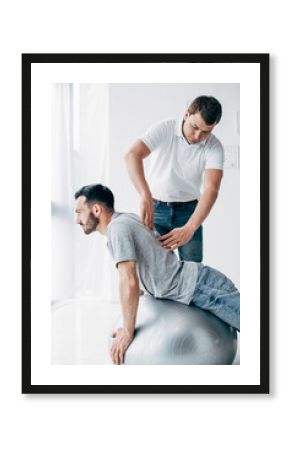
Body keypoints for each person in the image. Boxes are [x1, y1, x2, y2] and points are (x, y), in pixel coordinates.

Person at [75, 183, 240, 365]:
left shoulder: (118, 229)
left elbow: (129, 280)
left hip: (202, 286)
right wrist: (129, 321)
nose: (77, 220)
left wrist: (128, 332)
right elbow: (138, 278)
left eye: (79, 212)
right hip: (196, 285)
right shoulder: (125, 221)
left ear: (96, 209)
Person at [125, 95, 224, 263]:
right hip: (154, 208)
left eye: (206, 132)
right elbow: (132, 155)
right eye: (195, 127)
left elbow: (211, 190)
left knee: (193, 271)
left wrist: (190, 228)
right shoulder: (165, 129)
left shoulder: (214, 147)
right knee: (152, 267)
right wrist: (144, 195)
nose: (198, 135)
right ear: (186, 115)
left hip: (189, 213)